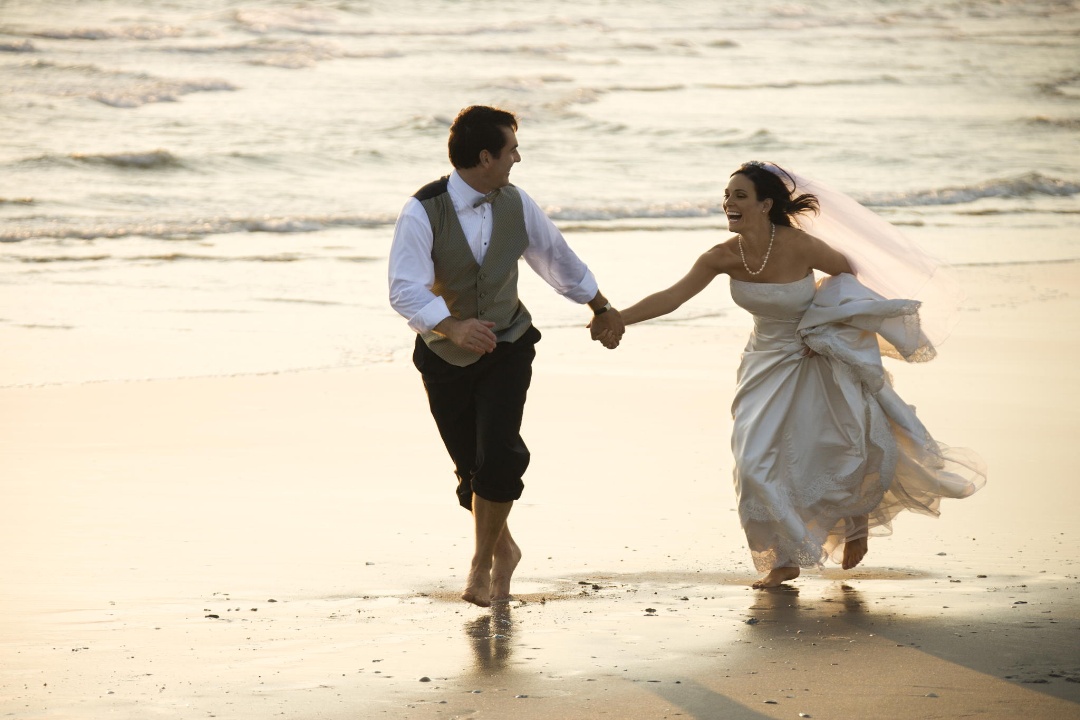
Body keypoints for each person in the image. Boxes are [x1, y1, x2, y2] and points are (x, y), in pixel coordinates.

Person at [614, 161, 985, 588]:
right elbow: (672, 297)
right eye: (727, 196)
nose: (728, 203)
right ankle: (785, 557)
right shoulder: (721, 256)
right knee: (753, 462)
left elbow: (847, 275)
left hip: (814, 355)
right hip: (763, 363)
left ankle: (854, 521)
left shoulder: (801, 245)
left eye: (740, 196)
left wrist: (825, 324)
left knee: (833, 447)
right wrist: (617, 318)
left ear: (765, 204)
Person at [388, 105, 624, 607]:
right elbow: (403, 289)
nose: (518, 157)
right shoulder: (421, 210)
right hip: (442, 355)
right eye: (512, 149)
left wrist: (600, 307)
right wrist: (451, 326)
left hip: (509, 344)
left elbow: (554, 256)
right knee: (470, 472)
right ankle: (505, 550)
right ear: (485, 156)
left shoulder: (516, 202)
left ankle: (479, 567)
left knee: (500, 453)